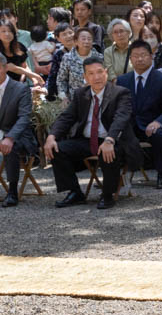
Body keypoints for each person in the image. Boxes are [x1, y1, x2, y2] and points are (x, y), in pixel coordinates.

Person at [44, 56, 142, 210]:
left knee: (107, 151)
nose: (96, 77)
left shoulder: (120, 93)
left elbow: (121, 118)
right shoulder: (80, 94)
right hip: (87, 140)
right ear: (85, 77)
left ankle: (108, 194)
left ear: (106, 72)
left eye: (100, 72)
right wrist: (51, 137)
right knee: (57, 149)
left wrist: (109, 140)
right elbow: (66, 117)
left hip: (115, 140)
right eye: (91, 73)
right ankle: (75, 193)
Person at [116, 39, 162, 189]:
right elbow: (119, 108)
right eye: (135, 56)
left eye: (143, 55)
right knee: (114, 135)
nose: (140, 59)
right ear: (130, 59)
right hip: (132, 127)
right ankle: (116, 177)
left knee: (158, 135)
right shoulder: (122, 80)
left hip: (156, 125)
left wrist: (159, 122)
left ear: (151, 56)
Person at [0, 53, 38, 208]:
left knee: (10, 146)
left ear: (4, 68)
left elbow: (24, 118)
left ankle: (12, 192)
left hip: (19, 134)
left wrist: (10, 137)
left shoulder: (20, 89)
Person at [56, 28, 97, 104]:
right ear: (76, 41)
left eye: (89, 39)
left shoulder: (98, 57)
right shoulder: (68, 58)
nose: (86, 41)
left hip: (95, 100)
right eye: (83, 39)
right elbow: (61, 80)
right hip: (74, 101)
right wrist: (63, 97)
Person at [46, 23, 75, 101]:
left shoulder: (83, 49)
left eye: (70, 33)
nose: (68, 36)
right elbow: (53, 75)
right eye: (64, 34)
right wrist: (49, 93)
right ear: (58, 38)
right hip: (65, 94)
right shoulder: (58, 54)